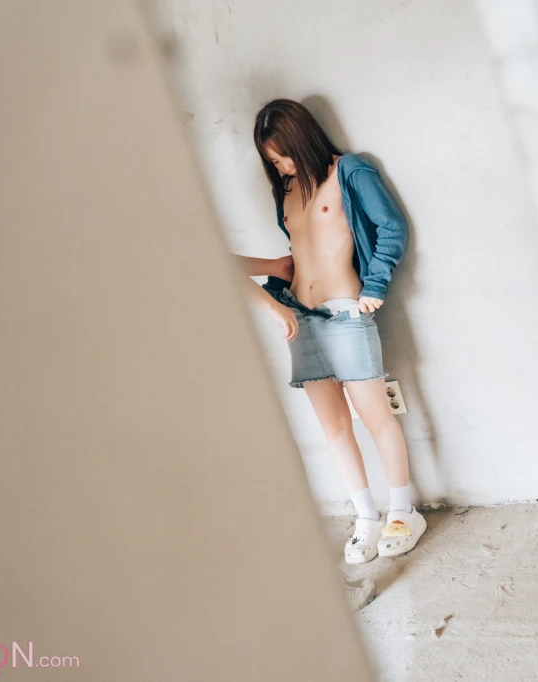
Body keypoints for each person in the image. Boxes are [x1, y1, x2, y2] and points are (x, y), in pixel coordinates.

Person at [239, 99, 427, 564]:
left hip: (346, 313)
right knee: (334, 428)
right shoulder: (285, 191)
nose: (281, 166)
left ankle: (403, 512)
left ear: (303, 139)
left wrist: (376, 285)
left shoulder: (350, 171)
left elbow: (391, 226)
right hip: (299, 316)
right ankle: (366, 517)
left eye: (284, 155)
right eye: (273, 161)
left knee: (376, 417)